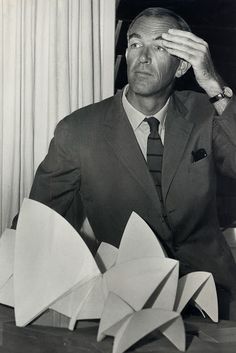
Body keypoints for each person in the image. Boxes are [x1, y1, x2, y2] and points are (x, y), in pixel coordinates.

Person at [13, 7, 236, 319]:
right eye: (134, 44)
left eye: (159, 47)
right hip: (129, 305)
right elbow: (39, 223)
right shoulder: (78, 130)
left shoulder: (205, 113)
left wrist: (213, 84)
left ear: (183, 65)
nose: (142, 58)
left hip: (213, 298)